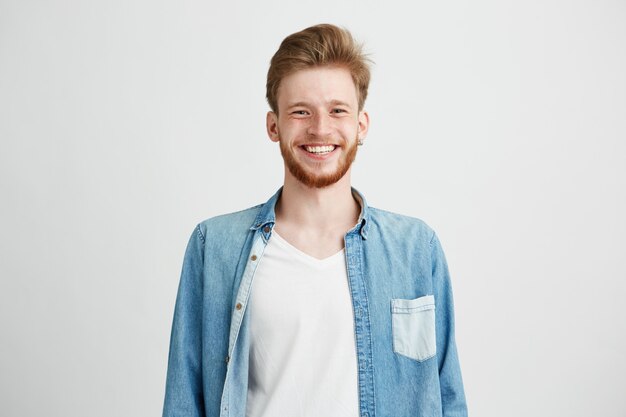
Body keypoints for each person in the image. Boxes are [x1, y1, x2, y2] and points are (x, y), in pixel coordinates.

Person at [163, 23, 467, 417]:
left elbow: (447, 396)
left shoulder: (415, 248)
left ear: (361, 125)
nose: (320, 129)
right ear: (274, 125)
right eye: (301, 111)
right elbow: (184, 401)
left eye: (337, 110)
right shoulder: (214, 247)